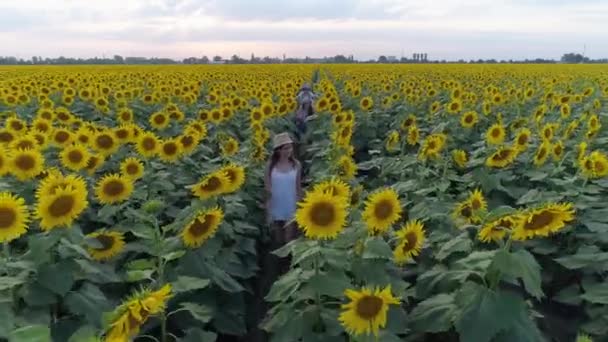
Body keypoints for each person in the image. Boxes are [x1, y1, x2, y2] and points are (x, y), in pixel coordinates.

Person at [264, 132, 302, 247]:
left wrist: (300, 206)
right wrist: (267, 209)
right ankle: (279, 262)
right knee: (278, 238)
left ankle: (289, 262)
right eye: (285, 148)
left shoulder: (296, 165)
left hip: (291, 205)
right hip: (276, 205)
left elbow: (298, 187)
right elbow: (268, 188)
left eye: (290, 147)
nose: (289, 151)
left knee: (288, 238)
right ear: (278, 150)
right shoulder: (270, 166)